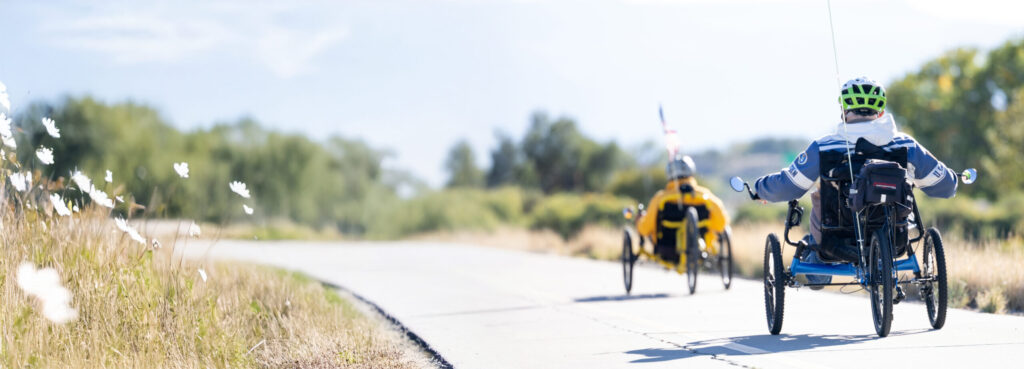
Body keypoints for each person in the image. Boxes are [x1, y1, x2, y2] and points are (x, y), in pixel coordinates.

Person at [753, 76, 958, 288]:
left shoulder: (824, 147)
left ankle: (818, 270)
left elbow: (788, 187)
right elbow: (946, 187)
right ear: (880, 111)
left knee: (818, 212)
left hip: (833, 241)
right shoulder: (906, 145)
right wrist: (954, 176)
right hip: (893, 238)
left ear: (844, 109)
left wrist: (760, 189)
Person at [637, 154, 729, 263]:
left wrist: (639, 221)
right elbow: (721, 223)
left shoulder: (660, 198)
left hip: (667, 250)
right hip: (701, 250)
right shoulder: (706, 196)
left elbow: (645, 229)